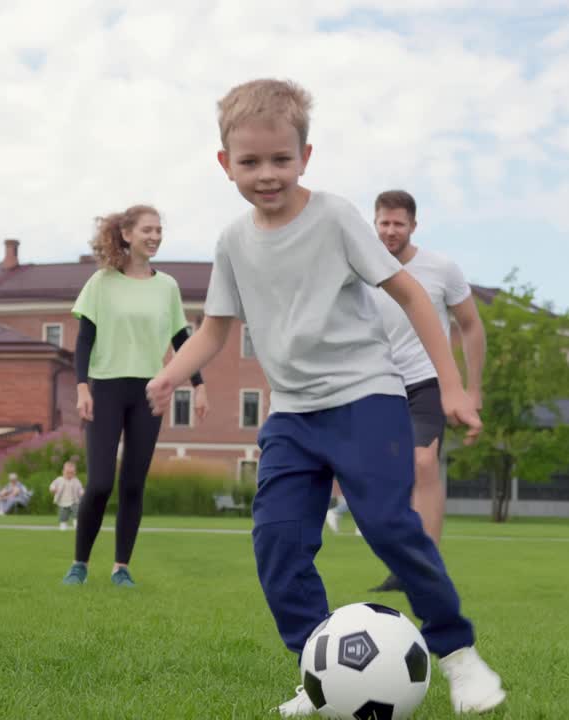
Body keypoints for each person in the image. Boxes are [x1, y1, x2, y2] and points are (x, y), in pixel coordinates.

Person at [144, 78, 505, 716]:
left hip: (366, 396)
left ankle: (459, 654)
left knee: (390, 526)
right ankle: (321, 671)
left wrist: (450, 383)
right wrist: (175, 372)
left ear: (305, 157)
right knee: (277, 542)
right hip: (291, 415)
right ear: (225, 164)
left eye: (281, 159)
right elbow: (216, 330)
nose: (267, 174)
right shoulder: (232, 242)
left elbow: (413, 295)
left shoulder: (335, 217)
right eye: (250, 162)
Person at [61, 205, 210, 588]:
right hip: (106, 389)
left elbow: (182, 340)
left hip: (149, 391)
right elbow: (85, 340)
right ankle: (79, 563)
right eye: (148, 229)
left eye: (159, 229)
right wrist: (81, 388)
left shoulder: (168, 287)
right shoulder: (102, 282)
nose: (155, 236)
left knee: (132, 484)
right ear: (126, 234)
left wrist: (198, 384)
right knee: (98, 483)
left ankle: (121, 567)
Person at [364, 189, 486, 593]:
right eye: (384, 222)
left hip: (427, 380)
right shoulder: (359, 267)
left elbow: (470, 325)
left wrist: (473, 389)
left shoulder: (441, 268)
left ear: (413, 226)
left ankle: (424, 565)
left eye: (399, 223)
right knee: (380, 477)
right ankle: (402, 556)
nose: (390, 230)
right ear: (374, 223)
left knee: (423, 463)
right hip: (378, 384)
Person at [50, 461, 85, 531]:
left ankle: (77, 523)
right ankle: (63, 524)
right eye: (67, 473)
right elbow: (53, 485)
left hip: (74, 501)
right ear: (63, 471)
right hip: (63, 501)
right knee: (63, 513)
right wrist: (53, 489)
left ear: (75, 473)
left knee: (77, 512)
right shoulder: (59, 480)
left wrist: (82, 492)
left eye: (72, 473)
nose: (69, 475)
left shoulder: (76, 481)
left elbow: (80, 488)